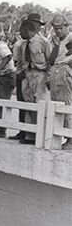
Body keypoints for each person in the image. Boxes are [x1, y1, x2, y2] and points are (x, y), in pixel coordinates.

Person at [15, 17, 51, 144]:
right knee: (29, 104)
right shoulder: (23, 45)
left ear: (27, 30)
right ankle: (30, 135)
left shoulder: (43, 42)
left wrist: (49, 77)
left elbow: (49, 60)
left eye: (21, 31)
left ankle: (43, 135)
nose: (20, 33)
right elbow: (19, 61)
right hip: (27, 75)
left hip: (40, 74)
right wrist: (20, 72)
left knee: (40, 104)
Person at [48, 14, 72, 150]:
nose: (58, 31)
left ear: (66, 26)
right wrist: (56, 45)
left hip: (65, 70)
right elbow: (51, 60)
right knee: (56, 103)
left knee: (67, 104)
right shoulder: (58, 41)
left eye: (60, 28)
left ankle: (71, 138)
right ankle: (61, 135)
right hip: (56, 70)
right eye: (56, 28)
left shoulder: (70, 38)